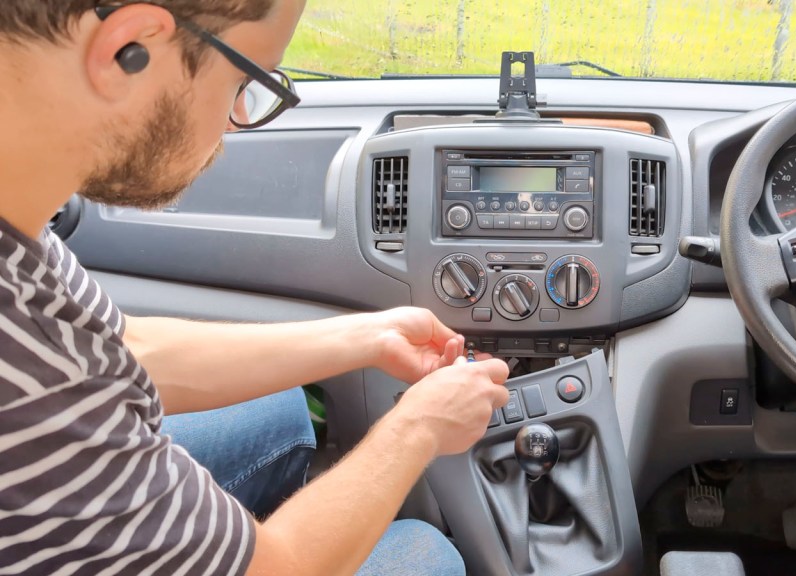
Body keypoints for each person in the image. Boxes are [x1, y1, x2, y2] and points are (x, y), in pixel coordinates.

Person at [0, 2, 511, 575]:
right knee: (423, 553)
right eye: (246, 79)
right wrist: (419, 427)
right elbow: (281, 568)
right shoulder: (32, 376)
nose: (238, 115)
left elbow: (122, 350)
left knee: (278, 408)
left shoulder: (16, 214)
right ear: (129, 48)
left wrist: (369, 333)